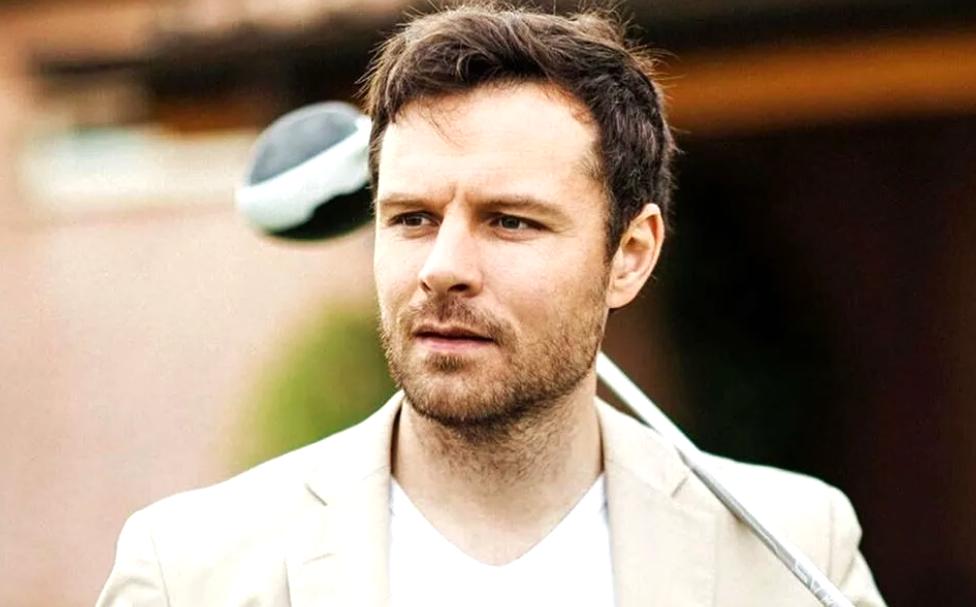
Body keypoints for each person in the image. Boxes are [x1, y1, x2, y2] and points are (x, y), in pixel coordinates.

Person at [97, 4, 887, 606]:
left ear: (630, 254)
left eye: (510, 221)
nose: (442, 268)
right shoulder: (190, 569)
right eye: (412, 218)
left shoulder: (792, 546)